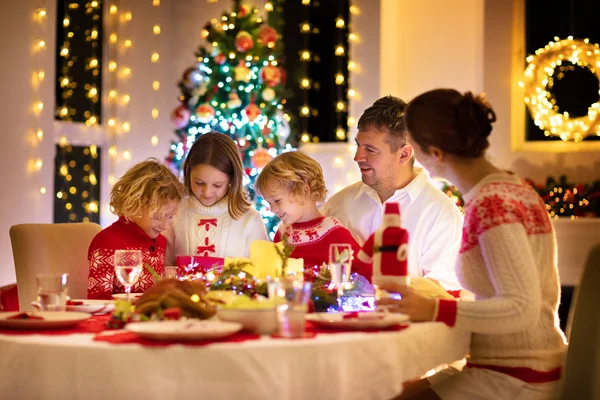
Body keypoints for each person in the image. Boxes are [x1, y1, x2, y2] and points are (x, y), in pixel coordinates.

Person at [380, 89, 567, 399]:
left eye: (414, 147)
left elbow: (521, 307)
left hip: (519, 376)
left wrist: (433, 308)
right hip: (505, 364)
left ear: (435, 154)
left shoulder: (492, 203)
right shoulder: (511, 187)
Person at [321, 96, 463, 290]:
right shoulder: (338, 204)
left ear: (404, 154)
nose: (357, 157)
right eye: (358, 145)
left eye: (370, 150)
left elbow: (443, 291)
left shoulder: (441, 213)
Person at [87, 159, 185, 300]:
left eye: (169, 217)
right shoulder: (107, 241)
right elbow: (98, 299)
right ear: (134, 205)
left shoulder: (160, 242)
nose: (165, 226)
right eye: (157, 217)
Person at [164, 132, 267, 264]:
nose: (207, 193)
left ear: (232, 179)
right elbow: (164, 268)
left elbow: (262, 272)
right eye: (199, 183)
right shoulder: (174, 213)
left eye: (217, 185)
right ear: (188, 172)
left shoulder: (251, 220)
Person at [256, 150, 368, 272]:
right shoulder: (282, 234)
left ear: (304, 191)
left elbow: (365, 269)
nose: (272, 209)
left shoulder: (334, 233)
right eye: (269, 203)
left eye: (277, 201)